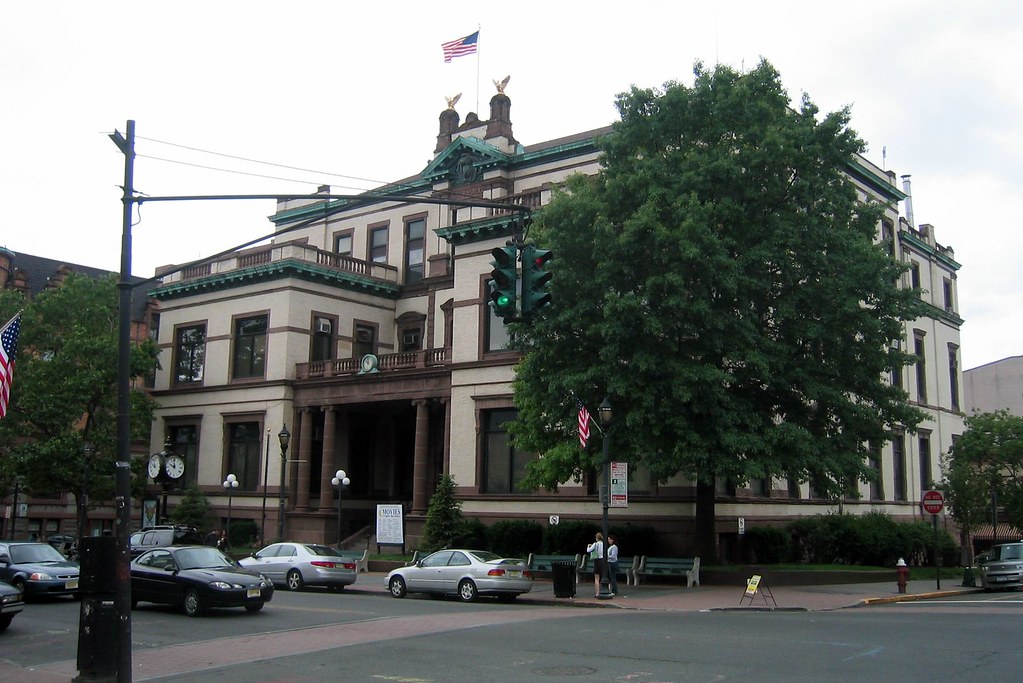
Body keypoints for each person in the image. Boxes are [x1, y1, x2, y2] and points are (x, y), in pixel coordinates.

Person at [586, 532, 605, 598]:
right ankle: (607, 590)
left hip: (597, 560)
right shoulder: (603, 544)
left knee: (597, 578)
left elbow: (588, 550)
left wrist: (588, 546)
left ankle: (597, 593)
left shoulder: (595, 544)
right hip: (603, 560)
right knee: (605, 577)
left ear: (596, 538)